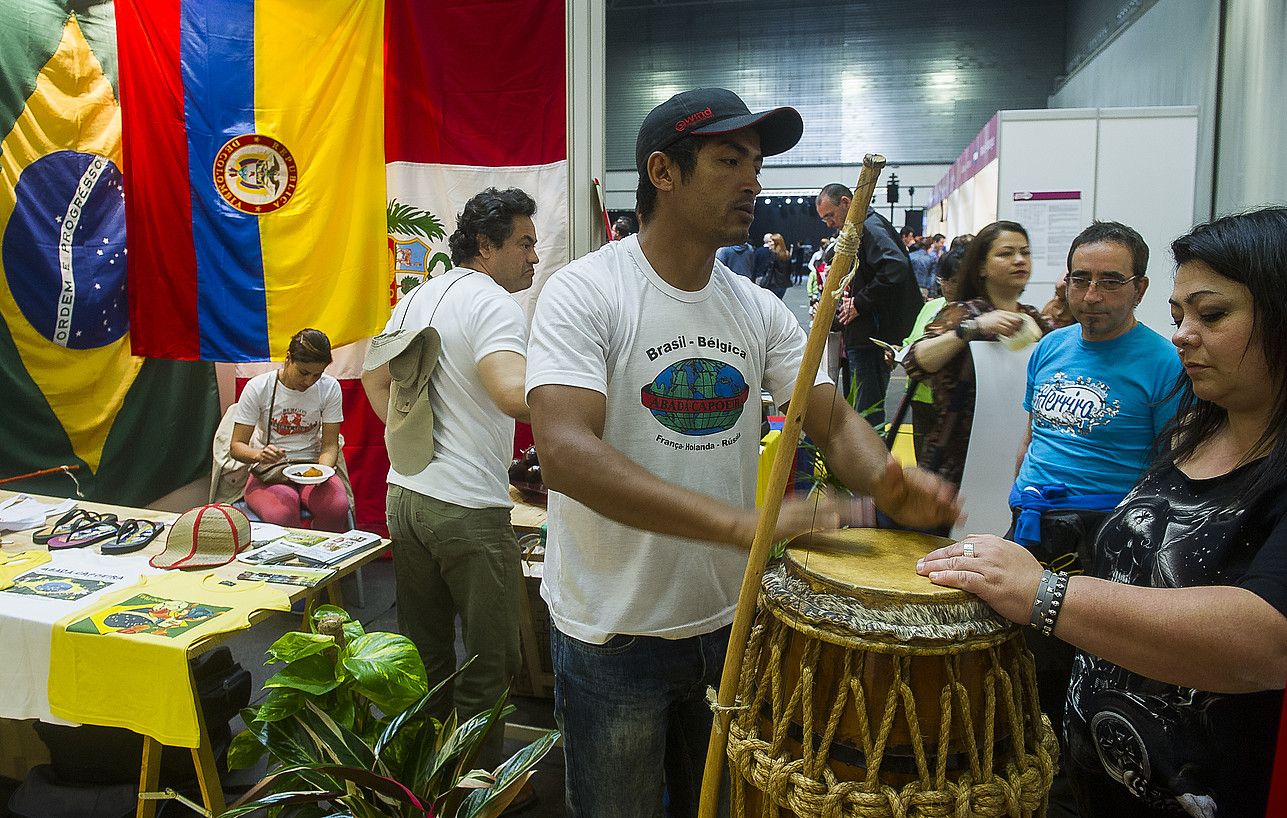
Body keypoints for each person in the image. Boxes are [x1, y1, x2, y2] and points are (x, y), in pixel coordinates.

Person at [525, 87, 960, 818]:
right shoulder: (586, 292)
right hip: (612, 633)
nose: (753, 180)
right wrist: (740, 525)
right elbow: (567, 453)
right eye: (729, 159)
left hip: (729, 620)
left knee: (722, 806)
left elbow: (829, 418)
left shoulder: (753, 308)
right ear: (662, 172)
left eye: (755, 162)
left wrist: (887, 480)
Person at [917, 206, 1287, 817]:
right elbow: (1033, 432)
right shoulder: (1196, 428)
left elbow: (1265, 637)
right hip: (1093, 772)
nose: (1183, 334)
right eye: (1179, 316)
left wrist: (1045, 595)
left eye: (1211, 314)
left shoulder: (1175, 383)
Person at [361, 187, 537, 778]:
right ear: (486, 246)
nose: (534, 258)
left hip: (406, 498)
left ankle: (428, 786)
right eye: (525, 243)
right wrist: (587, 393)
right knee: (492, 663)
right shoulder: (492, 304)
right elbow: (512, 394)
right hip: (467, 511)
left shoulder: (416, 297)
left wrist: (405, 436)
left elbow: (374, 379)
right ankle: (470, 792)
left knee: (427, 653)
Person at [1008, 221, 1183, 781]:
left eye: (1110, 281)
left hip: (1107, 530)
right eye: (1080, 279)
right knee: (1018, 651)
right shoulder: (1051, 347)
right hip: (1033, 518)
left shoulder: (1164, 363)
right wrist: (1015, 501)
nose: (1092, 296)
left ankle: (1072, 775)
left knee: (1084, 659)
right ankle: (1017, 761)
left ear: (1140, 288)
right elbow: (1035, 435)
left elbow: (1169, 467)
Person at [904, 220, 1051, 487]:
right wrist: (973, 328)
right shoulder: (963, 312)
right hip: (960, 462)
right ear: (982, 267)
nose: (1019, 260)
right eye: (1006, 253)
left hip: (1019, 455)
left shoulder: (1033, 318)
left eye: (1025, 252)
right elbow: (916, 361)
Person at [816, 184, 923, 427]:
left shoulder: (869, 227)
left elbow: (894, 267)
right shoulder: (862, 229)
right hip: (861, 335)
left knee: (867, 413)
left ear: (846, 202)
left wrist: (861, 303)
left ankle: (871, 464)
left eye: (830, 216)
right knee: (858, 409)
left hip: (870, 338)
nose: (829, 224)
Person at [230, 328, 348, 531]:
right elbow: (236, 447)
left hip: (311, 465)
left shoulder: (330, 388)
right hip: (269, 470)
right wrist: (259, 454)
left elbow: (329, 445)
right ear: (288, 358)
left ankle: (322, 559)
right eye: (303, 372)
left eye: (317, 375)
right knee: (282, 512)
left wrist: (323, 471)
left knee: (337, 507)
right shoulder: (258, 387)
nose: (309, 381)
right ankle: (294, 562)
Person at [898, 241, 968, 465]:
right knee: (923, 463)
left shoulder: (974, 315)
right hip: (918, 397)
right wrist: (899, 352)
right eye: (944, 280)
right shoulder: (932, 307)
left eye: (956, 282)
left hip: (949, 403)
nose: (949, 288)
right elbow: (911, 341)